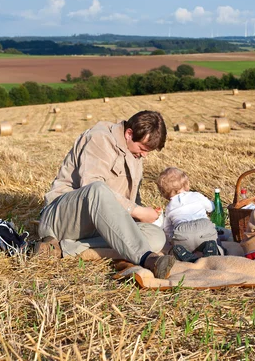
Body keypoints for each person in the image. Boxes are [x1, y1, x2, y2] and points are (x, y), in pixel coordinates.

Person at [37, 111, 176, 279]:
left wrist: (144, 214)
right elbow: (91, 188)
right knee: (98, 189)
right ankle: (146, 258)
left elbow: (131, 201)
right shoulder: (99, 138)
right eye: (143, 148)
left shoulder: (135, 154)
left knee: (156, 237)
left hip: (99, 226)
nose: (144, 154)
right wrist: (136, 210)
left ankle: (65, 248)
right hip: (62, 218)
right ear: (129, 133)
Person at [156, 167, 223, 261]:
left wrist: (172, 240)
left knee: (175, 249)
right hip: (204, 227)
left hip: (183, 233)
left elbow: (168, 229)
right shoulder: (196, 195)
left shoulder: (169, 207)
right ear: (186, 184)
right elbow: (211, 207)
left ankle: (183, 254)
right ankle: (214, 249)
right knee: (216, 241)